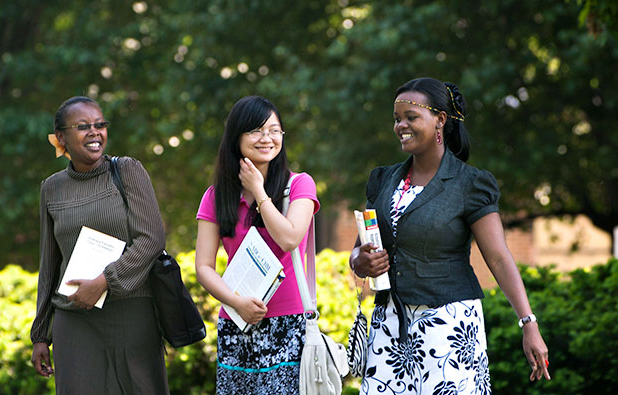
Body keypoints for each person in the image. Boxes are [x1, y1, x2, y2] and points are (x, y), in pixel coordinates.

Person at [350, 78, 551, 395]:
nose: (401, 125)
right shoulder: (382, 180)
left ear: (440, 119)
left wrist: (529, 324)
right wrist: (361, 261)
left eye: (411, 117)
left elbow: (498, 258)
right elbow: (359, 251)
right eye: (397, 118)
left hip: (448, 325)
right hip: (389, 323)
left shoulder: (470, 184)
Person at [29, 96, 169, 394]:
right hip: (75, 319)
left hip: (131, 312)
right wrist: (41, 334)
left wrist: (105, 281)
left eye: (99, 124)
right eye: (83, 126)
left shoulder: (128, 171)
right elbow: (49, 264)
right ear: (61, 138)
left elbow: (152, 238)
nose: (95, 132)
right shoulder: (51, 188)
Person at [194, 96, 320, 394]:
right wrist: (237, 304)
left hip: (289, 324)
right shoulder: (215, 196)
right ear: (236, 137)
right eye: (256, 131)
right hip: (236, 324)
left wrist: (258, 192)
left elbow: (290, 238)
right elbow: (203, 267)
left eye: (275, 130)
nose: (267, 138)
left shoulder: (299, 185)